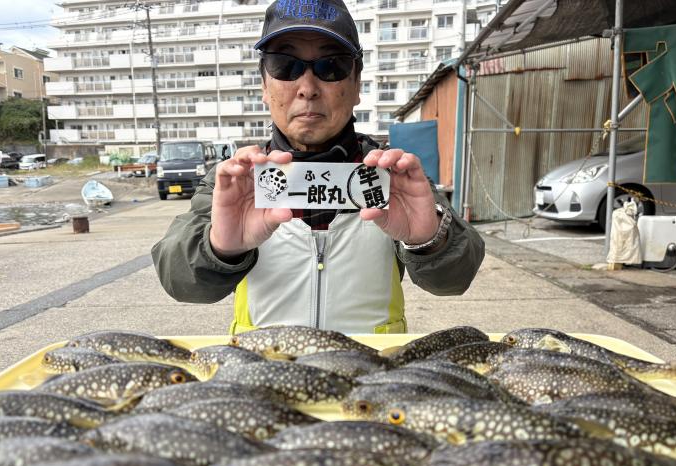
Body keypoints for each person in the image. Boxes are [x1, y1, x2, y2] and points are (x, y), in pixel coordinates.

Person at [152, 0, 485, 334]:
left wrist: (430, 241)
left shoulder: (392, 176)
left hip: (369, 377)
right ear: (264, 86)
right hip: (264, 376)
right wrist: (220, 249)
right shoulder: (239, 181)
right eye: (285, 65)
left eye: (332, 66)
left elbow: (455, 279)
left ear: (356, 84)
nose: (308, 89)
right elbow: (179, 280)